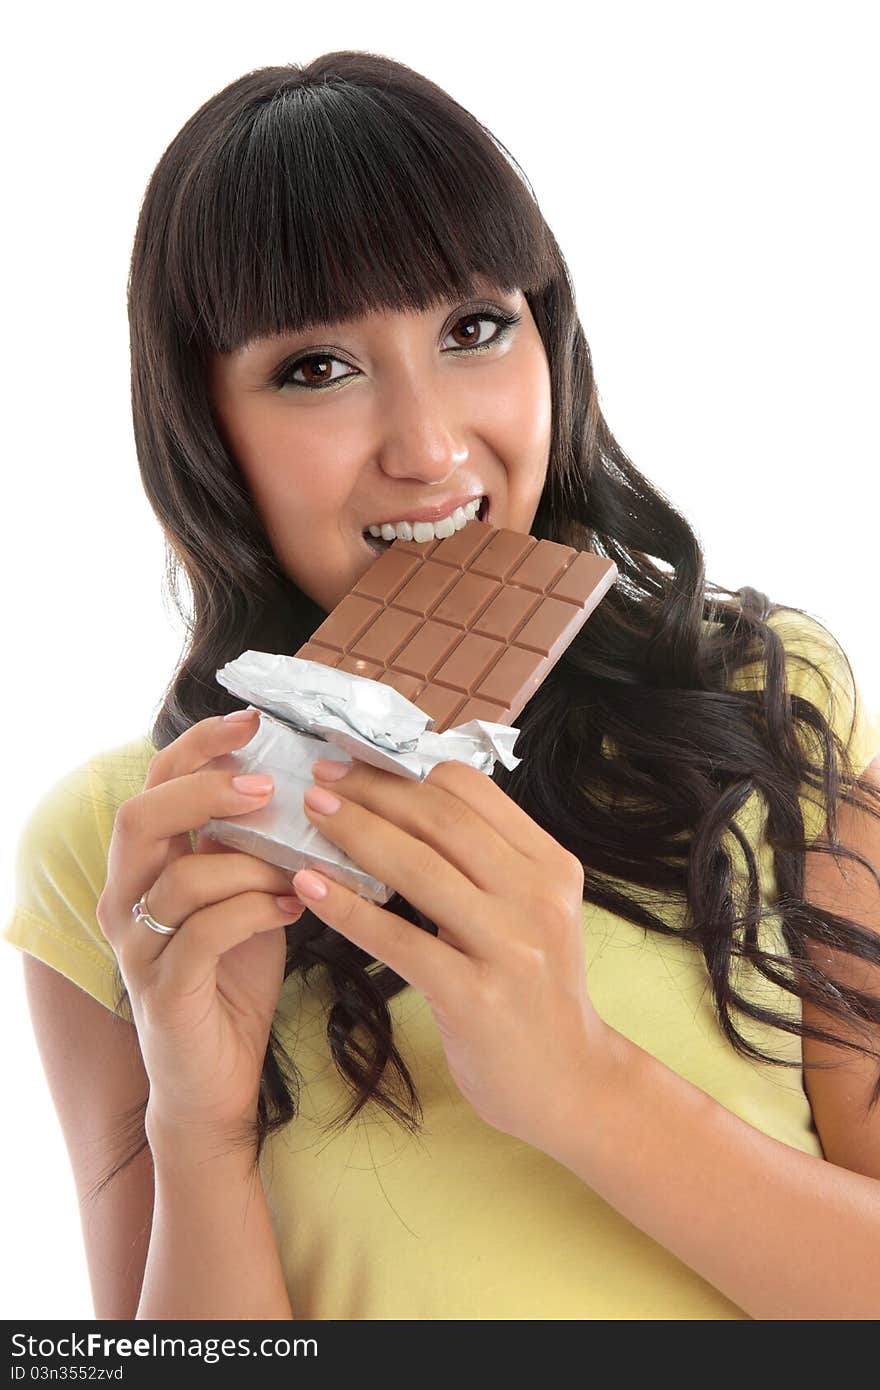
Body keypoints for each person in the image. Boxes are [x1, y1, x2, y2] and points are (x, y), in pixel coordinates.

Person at [6, 51, 880, 1323]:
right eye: (315, 367)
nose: (427, 447)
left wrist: (578, 1085)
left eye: (474, 329)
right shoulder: (124, 843)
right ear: (207, 425)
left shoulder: (757, 700)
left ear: (550, 341)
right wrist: (199, 1127)